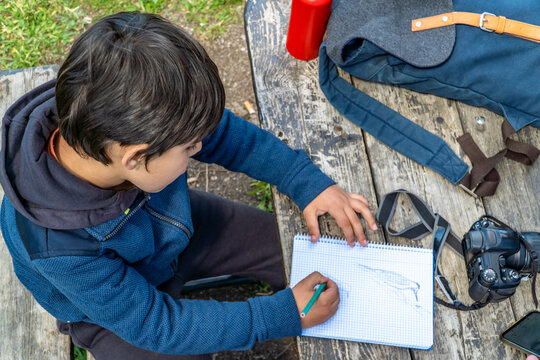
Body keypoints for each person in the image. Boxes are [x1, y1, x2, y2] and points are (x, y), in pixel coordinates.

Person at [0, 12, 377, 359]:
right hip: (109, 316)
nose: (201, 147)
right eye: (190, 148)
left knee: (293, 249)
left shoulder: (127, 114)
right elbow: (156, 326)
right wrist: (280, 315)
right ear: (134, 158)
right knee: (178, 346)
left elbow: (226, 135)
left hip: (177, 228)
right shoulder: (58, 247)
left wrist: (304, 181)